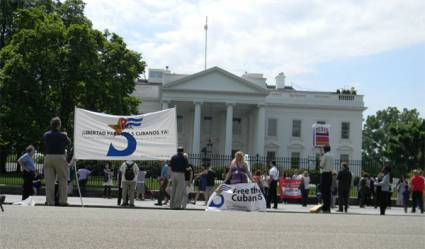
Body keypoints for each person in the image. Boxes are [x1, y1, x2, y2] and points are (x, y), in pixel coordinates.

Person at [43, 117, 70, 206]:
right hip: (60, 157)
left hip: (48, 157)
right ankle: (62, 201)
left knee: (49, 181)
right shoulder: (63, 135)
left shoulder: (46, 134)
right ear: (59, 125)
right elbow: (68, 143)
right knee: (63, 179)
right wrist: (65, 134)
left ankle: (50, 201)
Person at [319, 145, 334, 213]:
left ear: (324, 149)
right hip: (330, 174)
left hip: (324, 174)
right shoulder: (332, 156)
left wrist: (321, 158)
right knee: (328, 192)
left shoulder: (325, 156)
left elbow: (321, 166)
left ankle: (325, 208)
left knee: (323, 191)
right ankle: (328, 208)